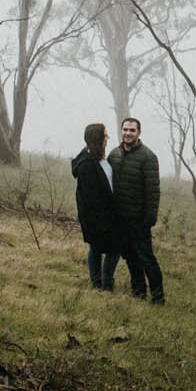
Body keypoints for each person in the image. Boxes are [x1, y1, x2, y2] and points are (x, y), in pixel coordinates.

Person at [71, 123, 140, 295]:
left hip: (108, 213)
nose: (108, 138)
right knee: (111, 248)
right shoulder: (87, 164)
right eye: (105, 135)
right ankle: (103, 283)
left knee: (99, 247)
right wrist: (102, 220)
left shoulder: (100, 158)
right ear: (98, 139)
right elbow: (91, 197)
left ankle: (99, 282)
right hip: (98, 216)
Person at [107, 116, 164, 304]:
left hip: (139, 219)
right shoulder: (114, 154)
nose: (128, 133)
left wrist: (149, 218)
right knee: (130, 257)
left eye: (132, 130)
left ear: (139, 133)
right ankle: (138, 292)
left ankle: (158, 297)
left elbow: (153, 191)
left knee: (147, 258)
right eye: (125, 129)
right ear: (121, 131)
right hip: (119, 218)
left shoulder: (148, 157)